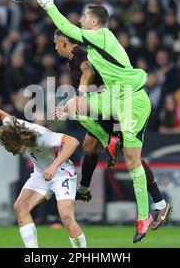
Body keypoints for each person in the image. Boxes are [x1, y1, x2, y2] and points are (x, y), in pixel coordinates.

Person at [37, 0, 165, 243]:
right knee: (75, 105)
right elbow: (87, 66)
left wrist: (49, 6)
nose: (81, 20)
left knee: (132, 162)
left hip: (133, 101)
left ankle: (144, 216)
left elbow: (69, 31)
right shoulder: (96, 46)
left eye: (84, 17)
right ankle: (109, 139)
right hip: (115, 97)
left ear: (94, 22)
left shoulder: (102, 36)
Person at [53, 30, 171, 231]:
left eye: (56, 43)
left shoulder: (79, 54)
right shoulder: (77, 56)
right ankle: (84, 188)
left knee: (131, 158)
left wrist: (81, 94)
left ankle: (108, 141)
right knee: (90, 145)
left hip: (112, 105)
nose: (55, 47)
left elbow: (88, 71)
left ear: (64, 42)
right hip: (108, 104)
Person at [0, 99, 86, 248]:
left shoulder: (41, 136)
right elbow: (2, 115)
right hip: (41, 174)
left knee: (66, 216)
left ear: (21, 139)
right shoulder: (13, 128)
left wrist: (54, 166)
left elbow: (73, 142)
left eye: (15, 147)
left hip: (62, 173)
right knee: (20, 207)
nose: (15, 153)